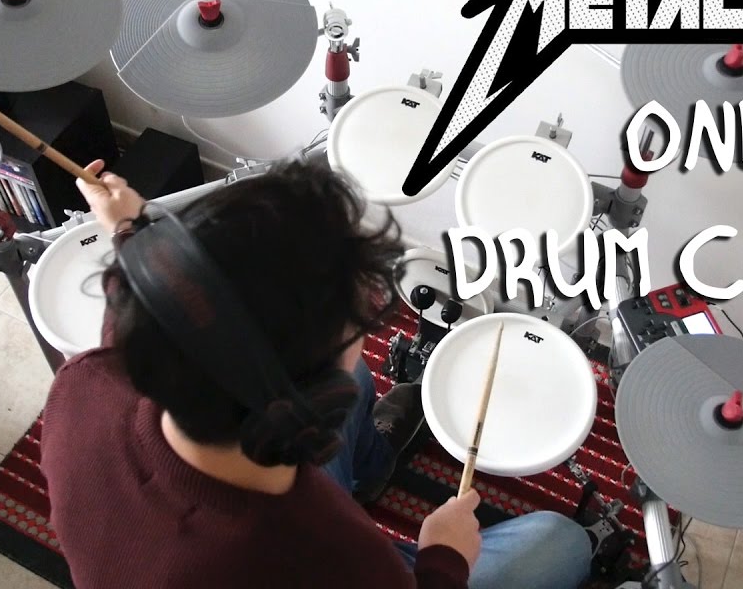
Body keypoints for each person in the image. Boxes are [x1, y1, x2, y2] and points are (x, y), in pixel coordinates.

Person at [40, 157, 592, 588]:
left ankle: (368, 469)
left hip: (178, 526)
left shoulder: (83, 385)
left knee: (359, 383)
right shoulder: (331, 557)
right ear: (309, 398)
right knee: (559, 543)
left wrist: (133, 231)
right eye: (355, 326)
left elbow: (149, 308)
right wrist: (444, 559)